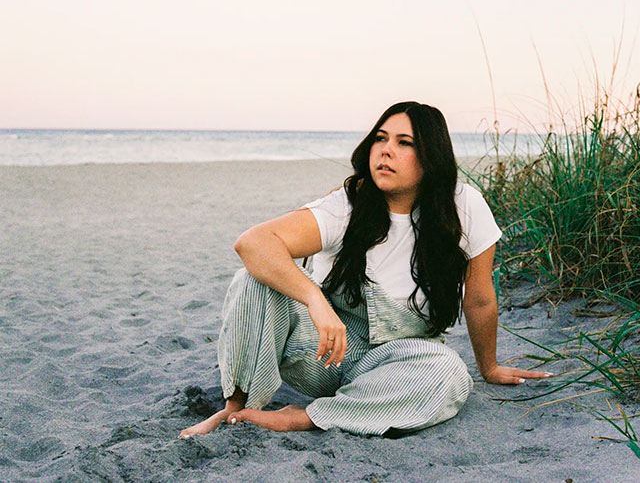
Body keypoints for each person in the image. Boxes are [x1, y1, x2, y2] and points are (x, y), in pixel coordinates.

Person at [179, 101, 552, 439]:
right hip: (325, 351)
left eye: (404, 143)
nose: (386, 150)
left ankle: (305, 417)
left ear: (431, 157)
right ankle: (235, 407)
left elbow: (480, 298)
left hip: (399, 359)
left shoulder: (464, 207)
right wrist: (315, 301)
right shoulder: (346, 205)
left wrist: (489, 367)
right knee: (253, 279)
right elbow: (254, 242)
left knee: (449, 372)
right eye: (380, 138)